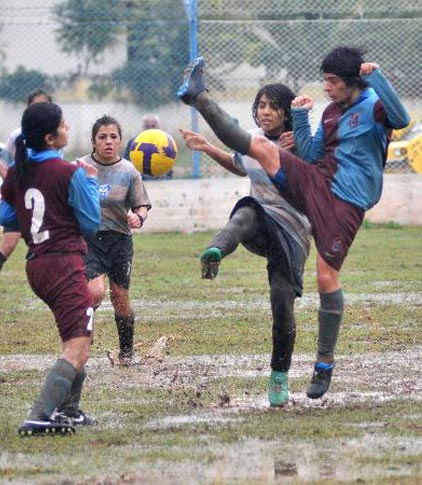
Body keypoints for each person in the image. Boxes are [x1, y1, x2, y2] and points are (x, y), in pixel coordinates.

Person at [177, 47, 410, 400]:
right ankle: (199, 98)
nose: (327, 88)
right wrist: (301, 117)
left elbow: (401, 116)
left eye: (332, 82)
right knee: (263, 148)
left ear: (354, 81)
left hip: (345, 203)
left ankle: (324, 363)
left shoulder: (375, 105)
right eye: (325, 80)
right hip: (318, 183)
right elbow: (314, 155)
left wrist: (375, 75)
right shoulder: (331, 112)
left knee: (326, 277)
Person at [180, 83, 312, 407]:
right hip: (262, 220)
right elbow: (240, 165)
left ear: (286, 111)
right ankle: (216, 250)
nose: (266, 112)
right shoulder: (252, 139)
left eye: (273, 106)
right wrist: (207, 147)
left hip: (293, 234)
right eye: (261, 105)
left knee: (282, 306)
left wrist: (303, 144)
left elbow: (322, 166)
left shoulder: (302, 143)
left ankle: (279, 378)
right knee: (247, 211)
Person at [0, 102, 101, 435]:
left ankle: (69, 410)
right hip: (64, 264)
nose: (68, 126)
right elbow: (91, 224)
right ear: (50, 136)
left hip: (37, 265)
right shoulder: (70, 173)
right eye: (63, 123)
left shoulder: (17, 172)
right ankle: (40, 416)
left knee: (78, 336)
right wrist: (90, 185)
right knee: (77, 346)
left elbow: (6, 218)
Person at [0, 88, 53, 313]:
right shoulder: (19, 135)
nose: (38, 111)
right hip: (18, 201)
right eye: (34, 106)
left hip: (37, 203)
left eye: (43, 106)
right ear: (27, 109)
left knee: (43, 242)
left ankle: (54, 292)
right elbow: (1, 164)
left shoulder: (55, 137)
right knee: (9, 245)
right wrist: (16, 187)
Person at [76, 115, 151, 366]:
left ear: (120, 141)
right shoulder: (79, 168)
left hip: (119, 241)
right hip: (89, 240)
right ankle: (82, 336)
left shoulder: (129, 170)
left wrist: (138, 218)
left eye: (114, 137)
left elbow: (142, 205)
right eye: (103, 137)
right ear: (93, 141)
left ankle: (127, 353)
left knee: (120, 298)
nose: (108, 141)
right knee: (94, 292)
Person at [124, 113, 173, 180]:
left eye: (153, 126)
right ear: (143, 127)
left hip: (160, 176)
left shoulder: (166, 142)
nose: (150, 129)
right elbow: (127, 162)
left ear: (158, 127)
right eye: (147, 126)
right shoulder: (134, 142)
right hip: (140, 177)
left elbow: (170, 162)